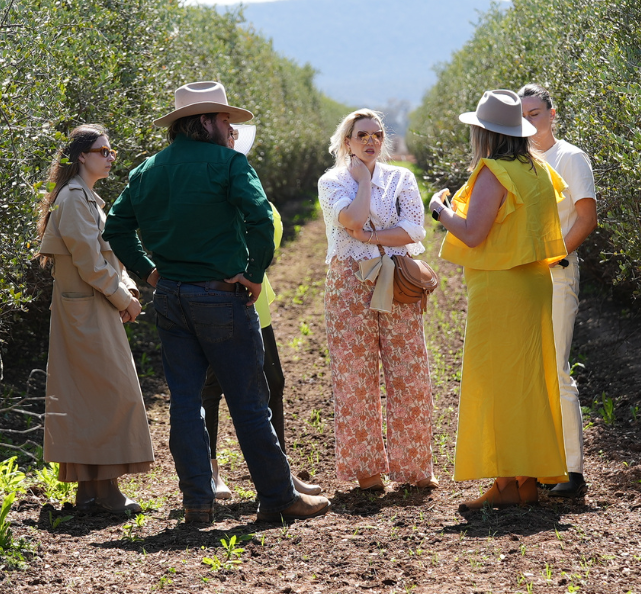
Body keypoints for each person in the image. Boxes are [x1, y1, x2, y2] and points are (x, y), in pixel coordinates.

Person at [102, 81, 329, 525]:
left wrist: (148, 271)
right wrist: (255, 271)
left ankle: (197, 502)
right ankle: (279, 498)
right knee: (248, 400)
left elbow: (116, 227)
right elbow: (261, 217)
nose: (231, 129)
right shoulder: (228, 164)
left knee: (185, 400)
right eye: (225, 119)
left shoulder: (147, 170)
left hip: (171, 298)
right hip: (221, 298)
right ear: (204, 121)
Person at [429, 90, 568, 511]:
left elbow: (473, 233)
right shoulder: (539, 170)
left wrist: (440, 210)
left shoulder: (495, 172)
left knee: (499, 385)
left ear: (484, 134)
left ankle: (507, 484)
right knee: (527, 382)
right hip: (532, 283)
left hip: (500, 288)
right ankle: (525, 480)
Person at [317, 110, 438, 492]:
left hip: (397, 280)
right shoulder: (332, 181)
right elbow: (351, 219)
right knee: (355, 377)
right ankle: (366, 469)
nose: (371, 141)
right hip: (348, 285)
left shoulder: (402, 177)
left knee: (410, 371)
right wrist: (365, 181)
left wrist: (372, 240)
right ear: (347, 142)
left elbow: (414, 228)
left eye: (377, 135)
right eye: (362, 135)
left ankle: (416, 468)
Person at [37, 125, 154, 514]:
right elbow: (90, 263)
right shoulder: (73, 199)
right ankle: (105, 492)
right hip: (82, 309)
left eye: (110, 150)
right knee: (108, 393)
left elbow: (108, 257)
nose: (110, 156)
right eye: (102, 150)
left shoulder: (89, 199)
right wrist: (125, 297)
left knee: (92, 395)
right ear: (81, 156)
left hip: (91, 305)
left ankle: (90, 493)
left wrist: (128, 290)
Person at [202, 124, 322, 501]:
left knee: (273, 383)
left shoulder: (246, 182)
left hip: (256, 301)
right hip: (216, 298)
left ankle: (279, 473)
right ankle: (210, 473)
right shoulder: (212, 186)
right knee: (210, 387)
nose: (234, 142)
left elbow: (268, 230)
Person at [520, 84, 598, 499]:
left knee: (556, 369)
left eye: (535, 112)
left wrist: (551, 259)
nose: (529, 121)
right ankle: (539, 464)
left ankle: (572, 471)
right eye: (522, 115)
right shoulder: (519, 162)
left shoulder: (570, 158)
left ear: (552, 114)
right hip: (521, 281)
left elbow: (586, 218)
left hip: (556, 275)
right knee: (530, 371)